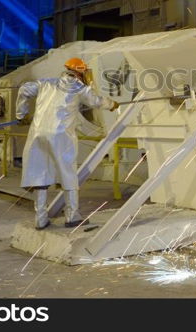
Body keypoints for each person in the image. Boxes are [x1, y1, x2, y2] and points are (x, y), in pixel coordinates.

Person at [16, 57, 119, 229]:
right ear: (79, 72)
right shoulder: (79, 88)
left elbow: (24, 89)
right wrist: (112, 104)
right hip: (61, 137)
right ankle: (72, 216)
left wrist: (21, 114)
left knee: (40, 175)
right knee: (68, 174)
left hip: (38, 134)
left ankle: (40, 219)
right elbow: (97, 101)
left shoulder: (46, 83)